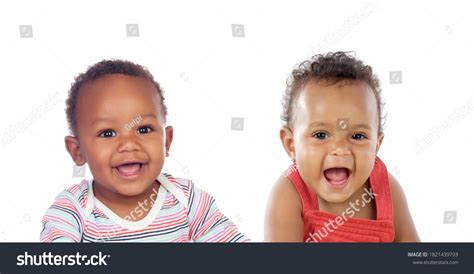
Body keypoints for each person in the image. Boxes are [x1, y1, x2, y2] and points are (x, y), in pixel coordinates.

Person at [41, 59, 249, 242]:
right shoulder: (72, 210)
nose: (129, 144)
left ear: (166, 141)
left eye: (143, 129)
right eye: (107, 133)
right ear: (77, 151)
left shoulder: (187, 200)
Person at [264, 52, 419, 242]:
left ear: (376, 146)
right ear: (291, 145)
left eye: (357, 136)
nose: (340, 149)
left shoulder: (386, 189)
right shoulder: (289, 194)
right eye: (320, 135)